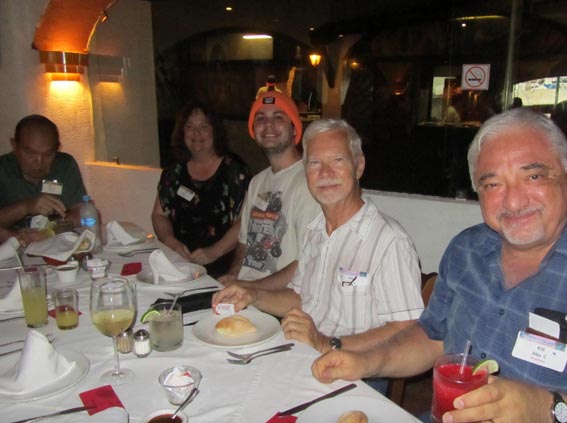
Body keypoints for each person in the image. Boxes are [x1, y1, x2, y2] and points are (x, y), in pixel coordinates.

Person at [311, 109, 567, 423]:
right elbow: (433, 338)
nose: (513, 203)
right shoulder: (466, 249)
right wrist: (366, 361)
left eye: (533, 176)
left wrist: (549, 413)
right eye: (493, 184)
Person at [213, 119, 424, 391]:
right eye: (314, 163)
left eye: (337, 160)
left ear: (359, 166)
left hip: (358, 378)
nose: (325, 173)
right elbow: (301, 297)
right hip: (305, 357)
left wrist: (326, 343)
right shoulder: (315, 232)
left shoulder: (388, 240)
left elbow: (407, 329)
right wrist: (253, 295)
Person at [218, 91, 320, 288]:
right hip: (247, 292)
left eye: (278, 117)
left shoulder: (309, 181)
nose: (268, 124)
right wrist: (233, 277)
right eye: (260, 118)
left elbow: (306, 263)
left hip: (280, 298)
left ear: (294, 128)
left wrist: (250, 289)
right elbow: (244, 242)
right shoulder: (256, 182)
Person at [152, 101, 251, 277]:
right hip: (179, 266)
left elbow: (245, 221)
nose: (196, 133)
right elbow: (159, 215)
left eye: (203, 126)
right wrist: (170, 241)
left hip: (223, 269)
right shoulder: (174, 170)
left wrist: (214, 251)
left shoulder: (235, 170)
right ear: (182, 132)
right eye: (189, 126)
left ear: (215, 131)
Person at [0, 114, 88, 230]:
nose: (39, 163)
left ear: (57, 148)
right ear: (14, 146)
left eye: (48, 154)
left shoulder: (64, 165)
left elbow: (81, 212)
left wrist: (45, 231)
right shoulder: (3, 169)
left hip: (52, 236)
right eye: (30, 153)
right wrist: (26, 207)